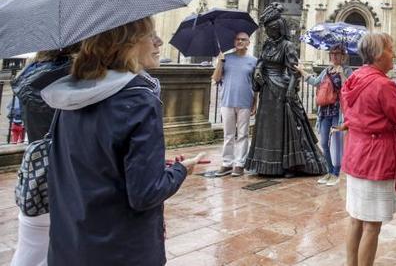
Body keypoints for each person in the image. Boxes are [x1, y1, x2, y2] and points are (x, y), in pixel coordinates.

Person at [40, 17, 204, 265]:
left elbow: (89, 163)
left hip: (70, 245)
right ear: (126, 44)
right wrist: (181, 170)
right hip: (122, 249)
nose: (159, 42)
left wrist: (149, 166)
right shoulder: (139, 102)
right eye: (151, 35)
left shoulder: (70, 96)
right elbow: (146, 194)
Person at [340, 32, 396, 266]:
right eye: (390, 49)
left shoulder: (354, 78)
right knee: (371, 225)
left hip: (356, 154)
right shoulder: (383, 84)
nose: (394, 54)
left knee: (356, 219)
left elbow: (350, 113)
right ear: (379, 54)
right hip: (376, 158)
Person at [10, 47, 78, 266]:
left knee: (31, 242)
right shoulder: (71, 79)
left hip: (38, 162)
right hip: (68, 167)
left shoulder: (30, 74)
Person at [246, 3, 325, 177]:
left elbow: (294, 71)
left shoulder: (288, 46)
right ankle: (265, 163)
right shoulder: (267, 45)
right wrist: (259, 70)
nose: (268, 32)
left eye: (271, 29)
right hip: (267, 90)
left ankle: (289, 164)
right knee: (267, 128)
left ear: (279, 29)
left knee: (284, 128)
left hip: (281, 90)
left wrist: (290, 91)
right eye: (267, 29)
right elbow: (261, 61)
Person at [297, 45, 353, 186]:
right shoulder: (326, 71)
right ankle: (329, 171)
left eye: (338, 53)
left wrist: (341, 74)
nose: (334, 56)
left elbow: (349, 88)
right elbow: (316, 83)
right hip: (324, 112)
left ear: (343, 56)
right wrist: (301, 71)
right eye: (332, 53)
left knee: (337, 143)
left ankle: (336, 173)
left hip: (338, 113)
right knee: (323, 143)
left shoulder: (347, 70)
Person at [211, 31, 258, 177]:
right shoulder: (226, 58)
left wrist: (255, 103)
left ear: (248, 43)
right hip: (227, 101)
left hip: (245, 101)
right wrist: (220, 62)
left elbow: (256, 84)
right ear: (234, 42)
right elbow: (216, 78)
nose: (240, 41)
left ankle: (239, 164)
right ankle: (226, 163)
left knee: (243, 134)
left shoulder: (254, 61)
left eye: (243, 39)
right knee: (228, 135)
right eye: (237, 39)